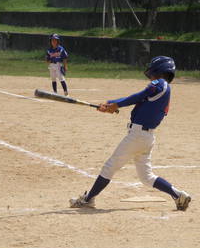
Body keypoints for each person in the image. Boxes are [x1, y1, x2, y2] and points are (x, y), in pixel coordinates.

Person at [69, 56, 191, 211]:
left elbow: (137, 96)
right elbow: (141, 102)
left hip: (137, 136)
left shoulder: (160, 83)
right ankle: (178, 194)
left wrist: (114, 104)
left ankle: (88, 199)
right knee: (147, 177)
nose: (150, 77)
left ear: (159, 70)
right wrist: (111, 105)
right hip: (146, 137)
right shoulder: (164, 89)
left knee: (109, 167)